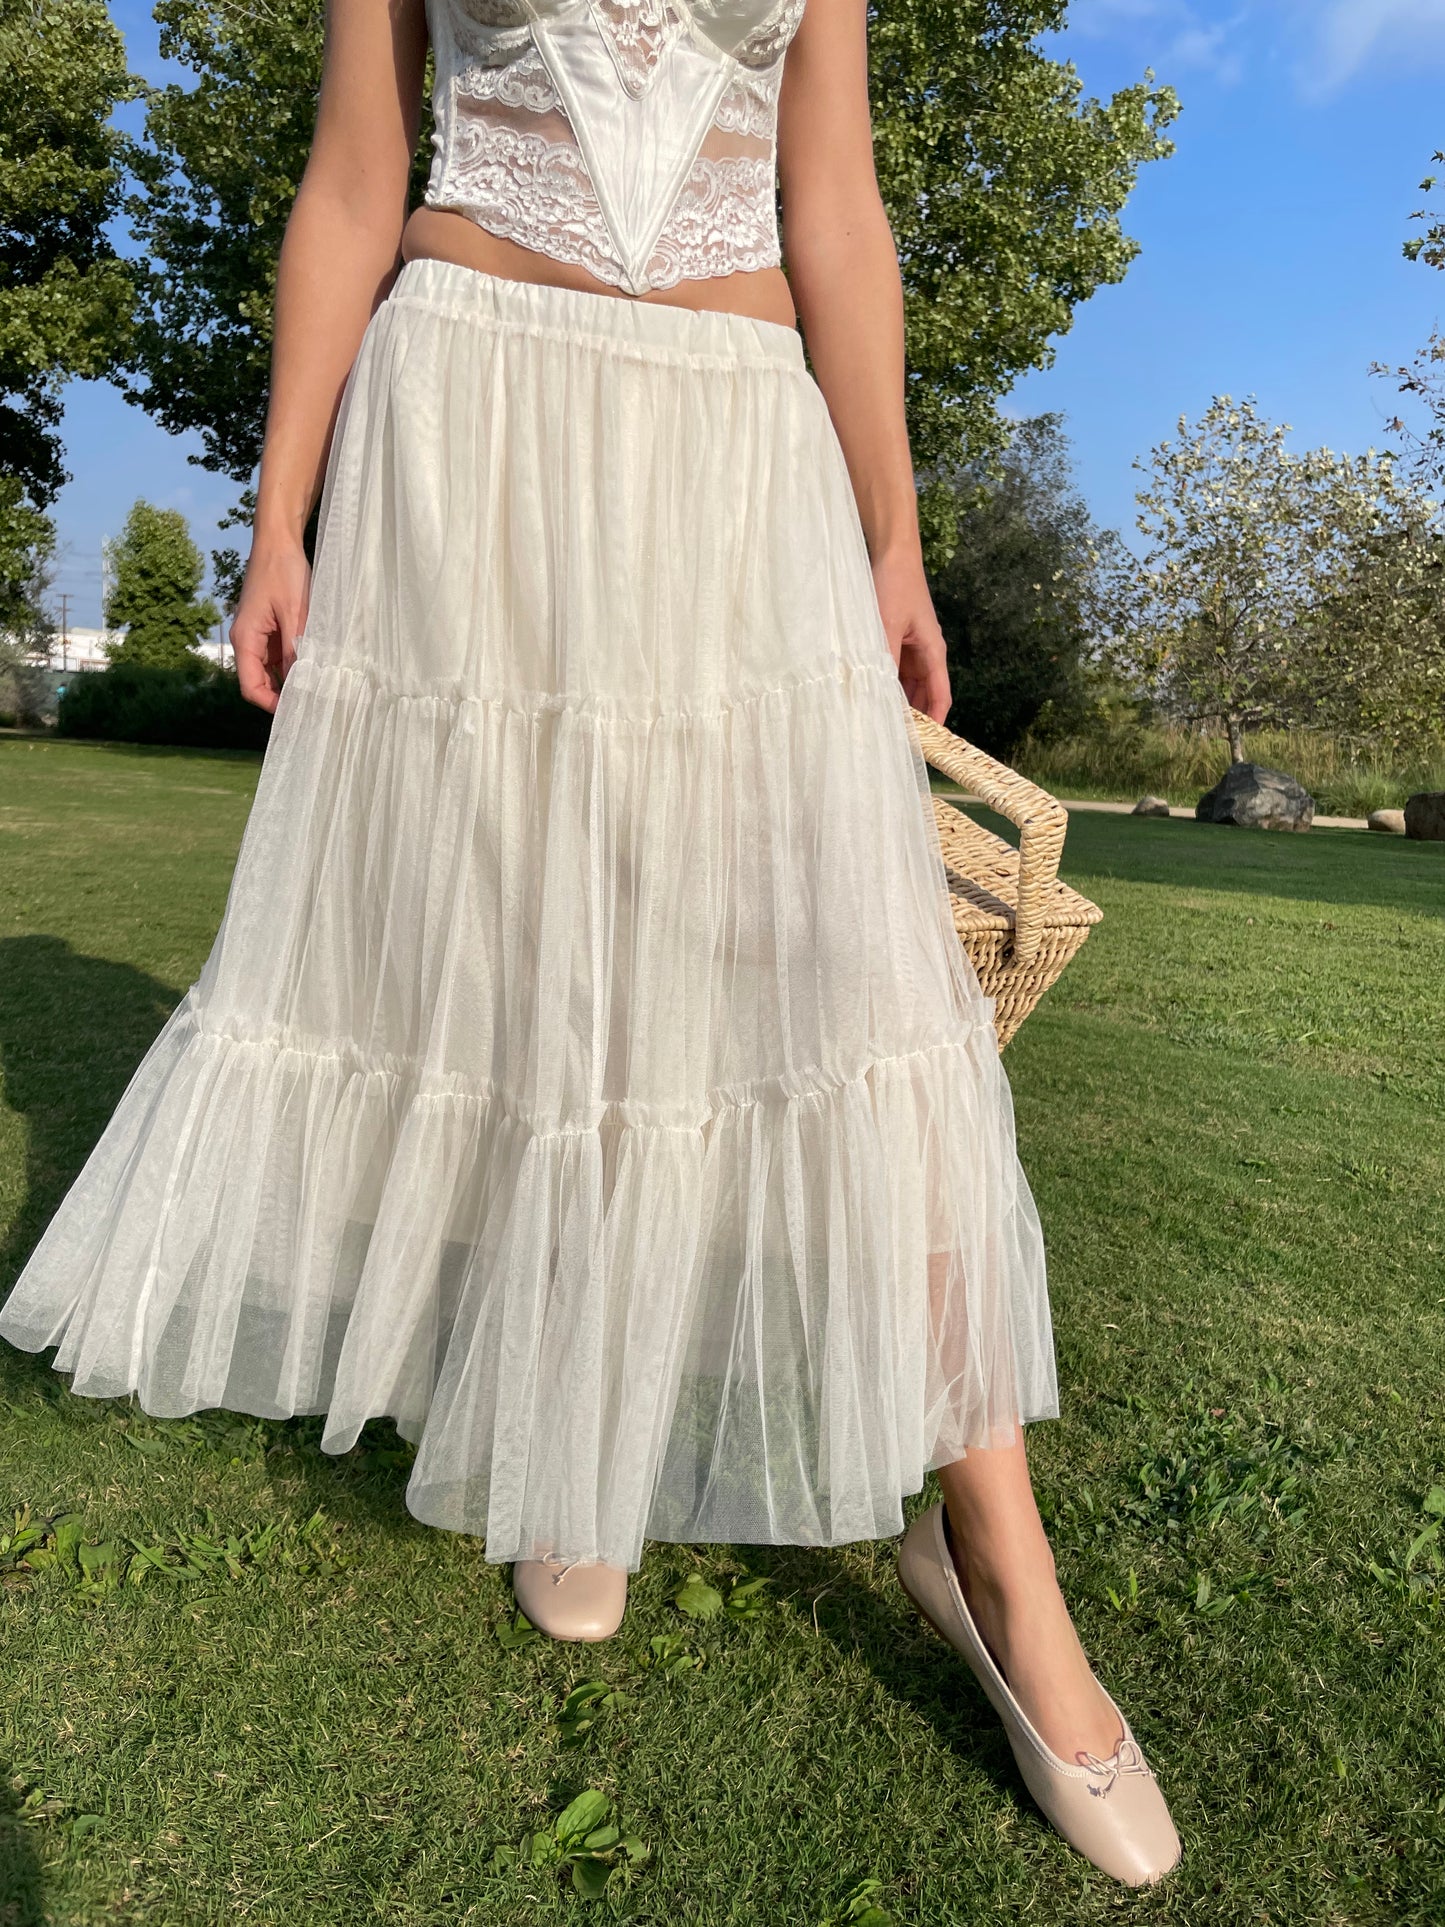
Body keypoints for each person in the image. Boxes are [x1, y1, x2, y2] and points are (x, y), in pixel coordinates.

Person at [0, 0, 1180, 1886]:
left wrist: (891, 530)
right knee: (529, 947)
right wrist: (277, 507)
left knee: (850, 979)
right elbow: (355, 175)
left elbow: (837, 203)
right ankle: (576, 1438)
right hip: (471, 413)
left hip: (737, 440)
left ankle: (995, 1560)